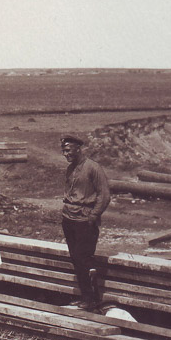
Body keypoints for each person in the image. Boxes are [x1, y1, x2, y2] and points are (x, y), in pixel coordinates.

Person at [61, 133, 111, 311]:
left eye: (68, 150)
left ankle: (92, 300)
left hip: (85, 221)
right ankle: (85, 297)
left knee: (84, 259)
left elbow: (104, 195)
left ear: (78, 148)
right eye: (63, 151)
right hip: (69, 219)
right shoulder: (71, 168)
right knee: (76, 259)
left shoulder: (93, 168)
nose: (65, 154)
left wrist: (93, 216)